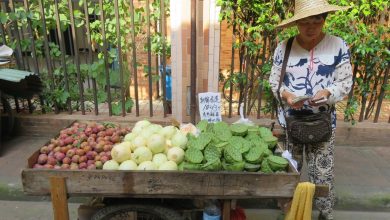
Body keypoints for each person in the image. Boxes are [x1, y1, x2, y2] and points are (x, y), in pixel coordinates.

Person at [269, 0, 353, 219]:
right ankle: (288, 213)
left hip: (323, 124)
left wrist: (327, 92)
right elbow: (274, 82)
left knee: (322, 175)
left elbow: (345, 82)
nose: (311, 26)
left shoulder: (338, 45)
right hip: (289, 123)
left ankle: (325, 214)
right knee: (289, 173)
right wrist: (287, 96)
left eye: (317, 20)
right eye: (304, 21)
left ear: (324, 19)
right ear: (296, 23)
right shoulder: (284, 47)